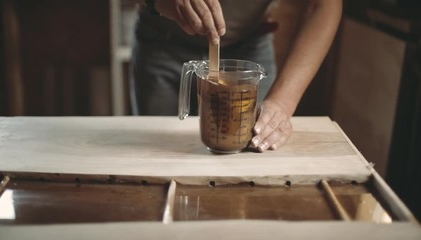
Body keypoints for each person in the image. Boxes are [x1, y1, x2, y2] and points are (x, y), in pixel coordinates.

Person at [130, 0, 342, 152]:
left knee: (255, 146)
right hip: (162, 42)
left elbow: (325, 5)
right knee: (159, 152)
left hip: (249, 46)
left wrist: (282, 103)